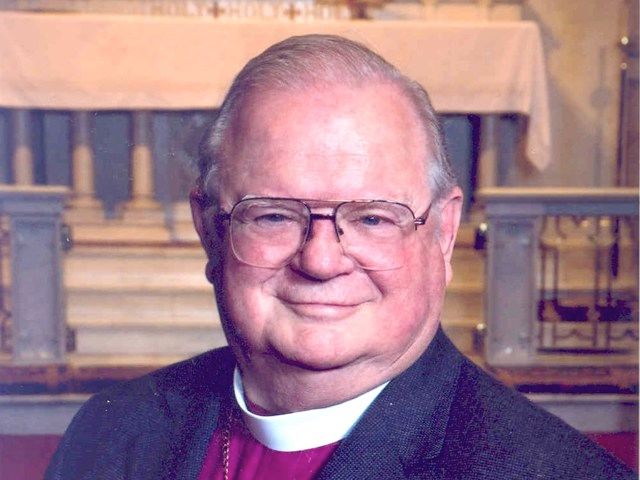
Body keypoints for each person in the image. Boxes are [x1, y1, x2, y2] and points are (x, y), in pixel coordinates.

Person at [46, 34, 634, 480]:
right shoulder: (112, 432)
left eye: (373, 218)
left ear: (443, 233)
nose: (321, 261)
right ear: (209, 228)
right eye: (274, 215)